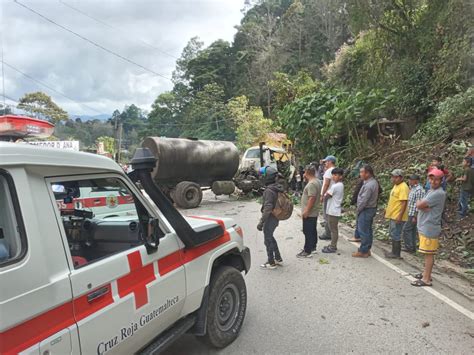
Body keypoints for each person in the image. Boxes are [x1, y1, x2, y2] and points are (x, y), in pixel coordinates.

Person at [411, 168, 447, 287]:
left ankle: (426, 279)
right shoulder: (431, 191)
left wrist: (421, 204)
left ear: (441, 181)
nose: (433, 181)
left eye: (436, 180)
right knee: (426, 253)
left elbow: (420, 204)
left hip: (430, 227)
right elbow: (421, 205)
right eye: (431, 179)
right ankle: (426, 274)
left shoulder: (438, 193)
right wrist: (421, 205)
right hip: (425, 225)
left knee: (429, 254)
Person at [257, 166, 284, 269]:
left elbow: (267, 208)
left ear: (267, 177)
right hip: (275, 217)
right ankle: (278, 257)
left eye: (262, 176)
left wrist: (261, 222)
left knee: (267, 240)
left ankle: (271, 262)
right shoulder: (277, 187)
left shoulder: (269, 191)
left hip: (270, 218)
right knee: (270, 237)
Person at [352, 164, 379, 258]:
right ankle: (367, 249)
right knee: (367, 230)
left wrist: (358, 210)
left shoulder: (369, 185)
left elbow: (364, 200)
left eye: (361, 172)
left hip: (366, 209)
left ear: (367, 173)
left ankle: (363, 251)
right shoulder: (371, 182)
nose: (360, 174)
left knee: (363, 230)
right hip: (369, 209)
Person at [384, 169, 410, 259]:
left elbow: (404, 203)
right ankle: (393, 252)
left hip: (397, 215)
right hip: (393, 214)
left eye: (395, 177)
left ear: (401, 177)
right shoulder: (396, 186)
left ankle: (396, 253)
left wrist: (399, 216)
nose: (393, 179)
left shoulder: (403, 187)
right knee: (393, 233)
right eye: (393, 177)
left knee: (396, 234)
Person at [297, 165, 321, 258]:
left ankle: (307, 250)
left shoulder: (311, 184)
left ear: (306, 173)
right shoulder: (317, 181)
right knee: (312, 230)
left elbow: (312, 198)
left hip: (310, 212)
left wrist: (306, 211)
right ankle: (313, 247)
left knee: (307, 231)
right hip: (314, 211)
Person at [322, 168, 344, 253]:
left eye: (336, 175)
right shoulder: (340, 185)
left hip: (333, 210)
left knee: (333, 230)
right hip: (333, 209)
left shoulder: (336, 186)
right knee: (333, 229)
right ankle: (332, 244)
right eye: (333, 175)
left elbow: (326, 195)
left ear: (340, 176)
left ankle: (333, 246)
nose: (334, 177)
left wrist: (325, 194)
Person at [402, 174, 425, 253]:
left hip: (413, 214)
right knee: (412, 230)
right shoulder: (412, 188)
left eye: (411, 180)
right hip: (409, 212)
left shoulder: (419, 190)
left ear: (416, 181)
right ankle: (412, 247)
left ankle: (409, 247)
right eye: (409, 180)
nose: (410, 181)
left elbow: (419, 204)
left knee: (406, 229)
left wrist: (415, 216)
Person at [319, 155, 336, 240]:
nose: (325, 163)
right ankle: (331, 232)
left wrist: (322, 195)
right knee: (331, 214)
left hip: (327, 194)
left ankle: (327, 233)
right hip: (333, 194)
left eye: (326, 162)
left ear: (329, 162)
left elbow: (326, 184)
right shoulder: (335, 170)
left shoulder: (329, 171)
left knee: (326, 214)